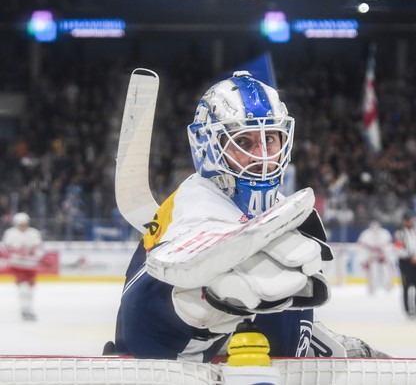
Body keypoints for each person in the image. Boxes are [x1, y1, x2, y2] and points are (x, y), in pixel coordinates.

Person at [111, 71, 387, 361]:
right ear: (209, 146)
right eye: (244, 143)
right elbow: (145, 328)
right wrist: (197, 313)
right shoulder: (195, 210)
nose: (263, 156)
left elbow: (279, 322)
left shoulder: (281, 208)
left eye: (270, 139)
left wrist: (327, 347)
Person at [1, 212, 44, 321]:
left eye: (24, 223)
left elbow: (39, 249)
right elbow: (4, 249)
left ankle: (28, 309)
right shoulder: (10, 234)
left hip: (30, 265)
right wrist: (13, 255)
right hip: (18, 265)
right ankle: (24, 309)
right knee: (23, 289)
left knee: (30, 289)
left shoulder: (34, 233)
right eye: (20, 223)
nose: (22, 226)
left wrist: (36, 255)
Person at [394, 210, 416, 319]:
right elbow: (398, 249)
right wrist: (410, 257)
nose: (412, 221)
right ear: (405, 221)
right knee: (406, 287)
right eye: (410, 219)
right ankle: (408, 310)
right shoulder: (400, 233)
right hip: (406, 263)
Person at [357, 220, 394, 294]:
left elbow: (388, 245)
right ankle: (371, 288)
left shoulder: (385, 233)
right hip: (371, 257)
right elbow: (361, 245)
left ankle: (387, 286)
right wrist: (366, 258)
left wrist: (385, 255)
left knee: (386, 272)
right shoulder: (366, 234)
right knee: (371, 273)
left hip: (383, 257)